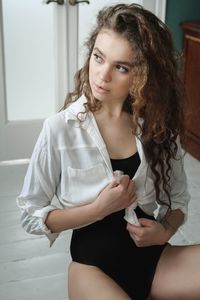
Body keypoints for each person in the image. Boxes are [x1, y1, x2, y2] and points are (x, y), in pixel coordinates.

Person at [16, 3, 200, 300]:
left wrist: (165, 230)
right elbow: (29, 214)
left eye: (121, 67)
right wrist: (98, 209)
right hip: (92, 268)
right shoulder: (60, 129)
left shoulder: (157, 130)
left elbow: (178, 201)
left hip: (154, 261)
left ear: (142, 75)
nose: (102, 75)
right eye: (98, 58)